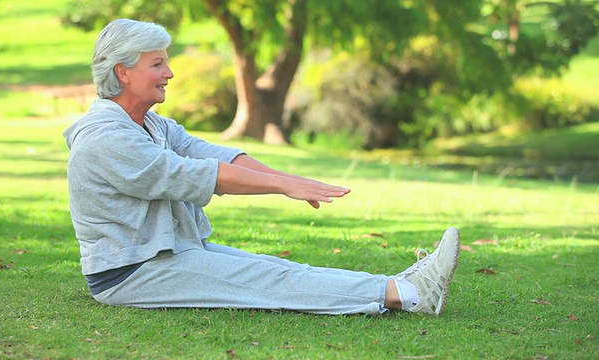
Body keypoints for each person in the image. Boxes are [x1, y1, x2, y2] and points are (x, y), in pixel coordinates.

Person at [64, 18, 460, 316]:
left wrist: (288, 178)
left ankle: (401, 286)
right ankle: (410, 295)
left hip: (169, 253)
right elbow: (194, 175)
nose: (169, 73)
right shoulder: (107, 137)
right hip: (132, 271)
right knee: (272, 281)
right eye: (157, 64)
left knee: (274, 266)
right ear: (123, 71)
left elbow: (215, 155)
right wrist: (282, 187)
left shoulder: (152, 123)